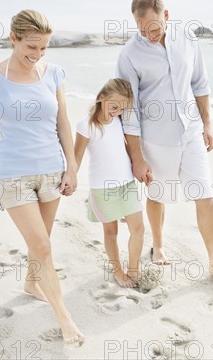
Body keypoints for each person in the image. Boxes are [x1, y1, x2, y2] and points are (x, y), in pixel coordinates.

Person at [0, 9, 84, 345]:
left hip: (52, 170)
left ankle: (31, 283)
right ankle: (65, 318)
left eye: (44, 48)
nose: (37, 55)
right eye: (31, 47)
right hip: (12, 174)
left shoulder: (54, 74)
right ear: (14, 38)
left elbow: (63, 122)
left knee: (42, 243)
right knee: (41, 244)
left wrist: (72, 166)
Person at [116, 0, 213, 280]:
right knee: (158, 195)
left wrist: (207, 125)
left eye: (154, 27)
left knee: (204, 194)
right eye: (142, 30)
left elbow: (200, 83)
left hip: (191, 131)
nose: (149, 35)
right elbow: (128, 110)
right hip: (156, 139)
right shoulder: (129, 54)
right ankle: (157, 246)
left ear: (165, 16)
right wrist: (137, 157)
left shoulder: (188, 39)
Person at [73, 79, 145, 288]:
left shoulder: (120, 122)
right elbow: (76, 158)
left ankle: (133, 269)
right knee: (111, 232)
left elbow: (127, 148)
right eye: (114, 106)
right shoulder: (85, 125)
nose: (117, 112)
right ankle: (118, 271)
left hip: (126, 184)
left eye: (122, 108)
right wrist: (71, 179)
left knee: (138, 229)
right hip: (102, 188)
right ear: (101, 97)